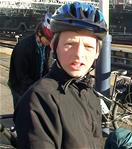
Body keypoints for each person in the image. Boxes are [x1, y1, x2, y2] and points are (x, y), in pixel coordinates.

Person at [13, 2, 107, 149]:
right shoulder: (38, 102)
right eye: (70, 44)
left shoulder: (90, 95)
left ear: (97, 52)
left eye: (88, 46)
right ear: (54, 46)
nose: (79, 54)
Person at [8, 13, 54, 109]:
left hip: (35, 85)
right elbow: (21, 77)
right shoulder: (23, 48)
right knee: (22, 112)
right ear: (40, 34)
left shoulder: (46, 47)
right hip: (20, 89)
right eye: (49, 39)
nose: (50, 43)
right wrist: (37, 89)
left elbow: (46, 66)